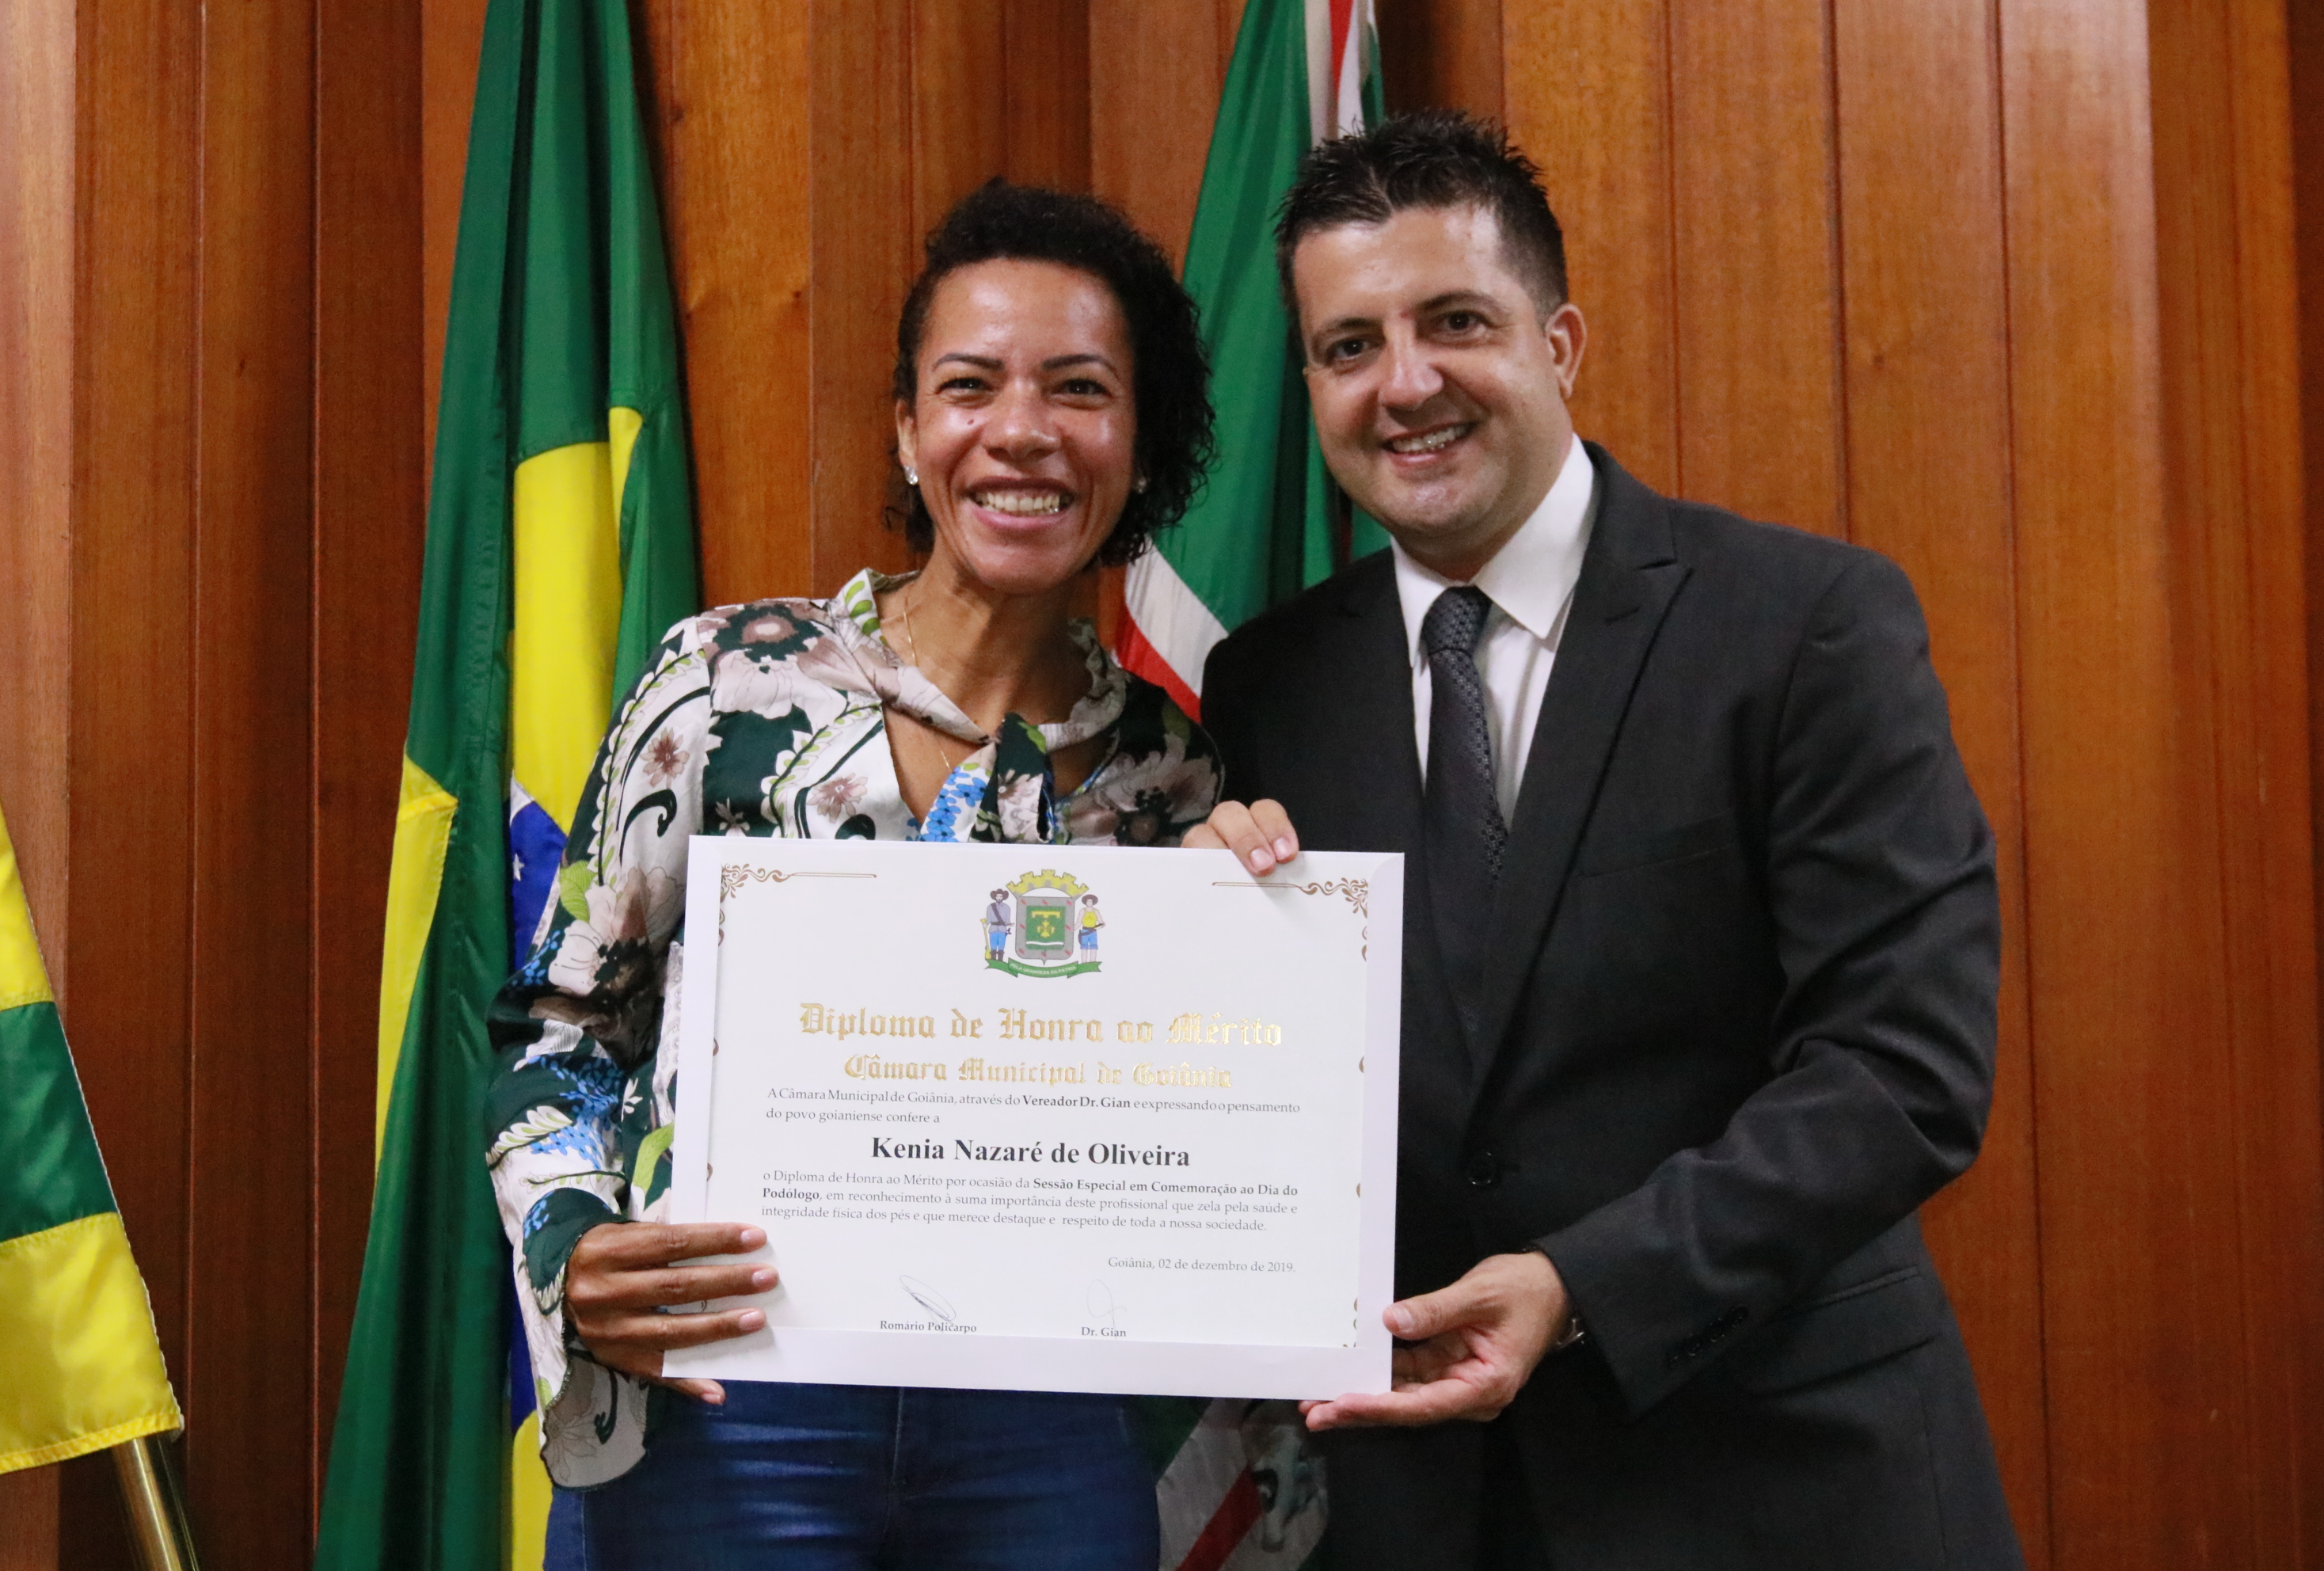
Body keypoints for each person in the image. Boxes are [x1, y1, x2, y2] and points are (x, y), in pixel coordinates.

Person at [1189, 112, 2023, 1569]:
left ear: (1560, 343)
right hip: (1419, 1510)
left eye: (1456, 322)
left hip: (1774, 1482)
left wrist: (1584, 1285)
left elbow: (1904, 1070)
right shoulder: (1267, 684)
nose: (1406, 384)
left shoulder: (1805, 626)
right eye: (1349, 346)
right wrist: (1208, 960)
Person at [487, 181, 1224, 1570]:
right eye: (970, 386)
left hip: (1043, 1422)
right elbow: (561, 1026)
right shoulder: (723, 686)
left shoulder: (1172, 777)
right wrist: (572, 1243)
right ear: (907, 430)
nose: (1021, 430)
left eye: (1080, 388)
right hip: (731, 1396)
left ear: (1142, 443)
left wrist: (1261, 910)